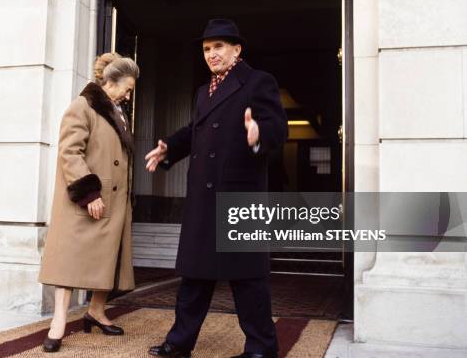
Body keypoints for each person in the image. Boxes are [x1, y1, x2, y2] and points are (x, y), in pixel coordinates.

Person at [145, 19, 287, 358]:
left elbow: (278, 128)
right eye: (206, 49)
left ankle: (262, 349)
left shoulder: (257, 81)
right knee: (194, 277)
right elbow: (196, 129)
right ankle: (178, 344)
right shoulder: (202, 91)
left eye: (219, 47)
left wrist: (259, 135)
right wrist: (170, 147)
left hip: (240, 195)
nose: (212, 54)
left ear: (237, 50)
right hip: (204, 198)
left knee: (248, 281)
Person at [38, 53, 139, 353]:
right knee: (69, 260)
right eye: (127, 88)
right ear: (109, 82)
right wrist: (89, 193)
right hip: (87, 199)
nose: (129, 94)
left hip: (114, 200)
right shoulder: (82, 107)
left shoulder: (117, 111)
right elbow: (70, 152)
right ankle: (58, 322)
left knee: (108, 258)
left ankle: (96, 311)